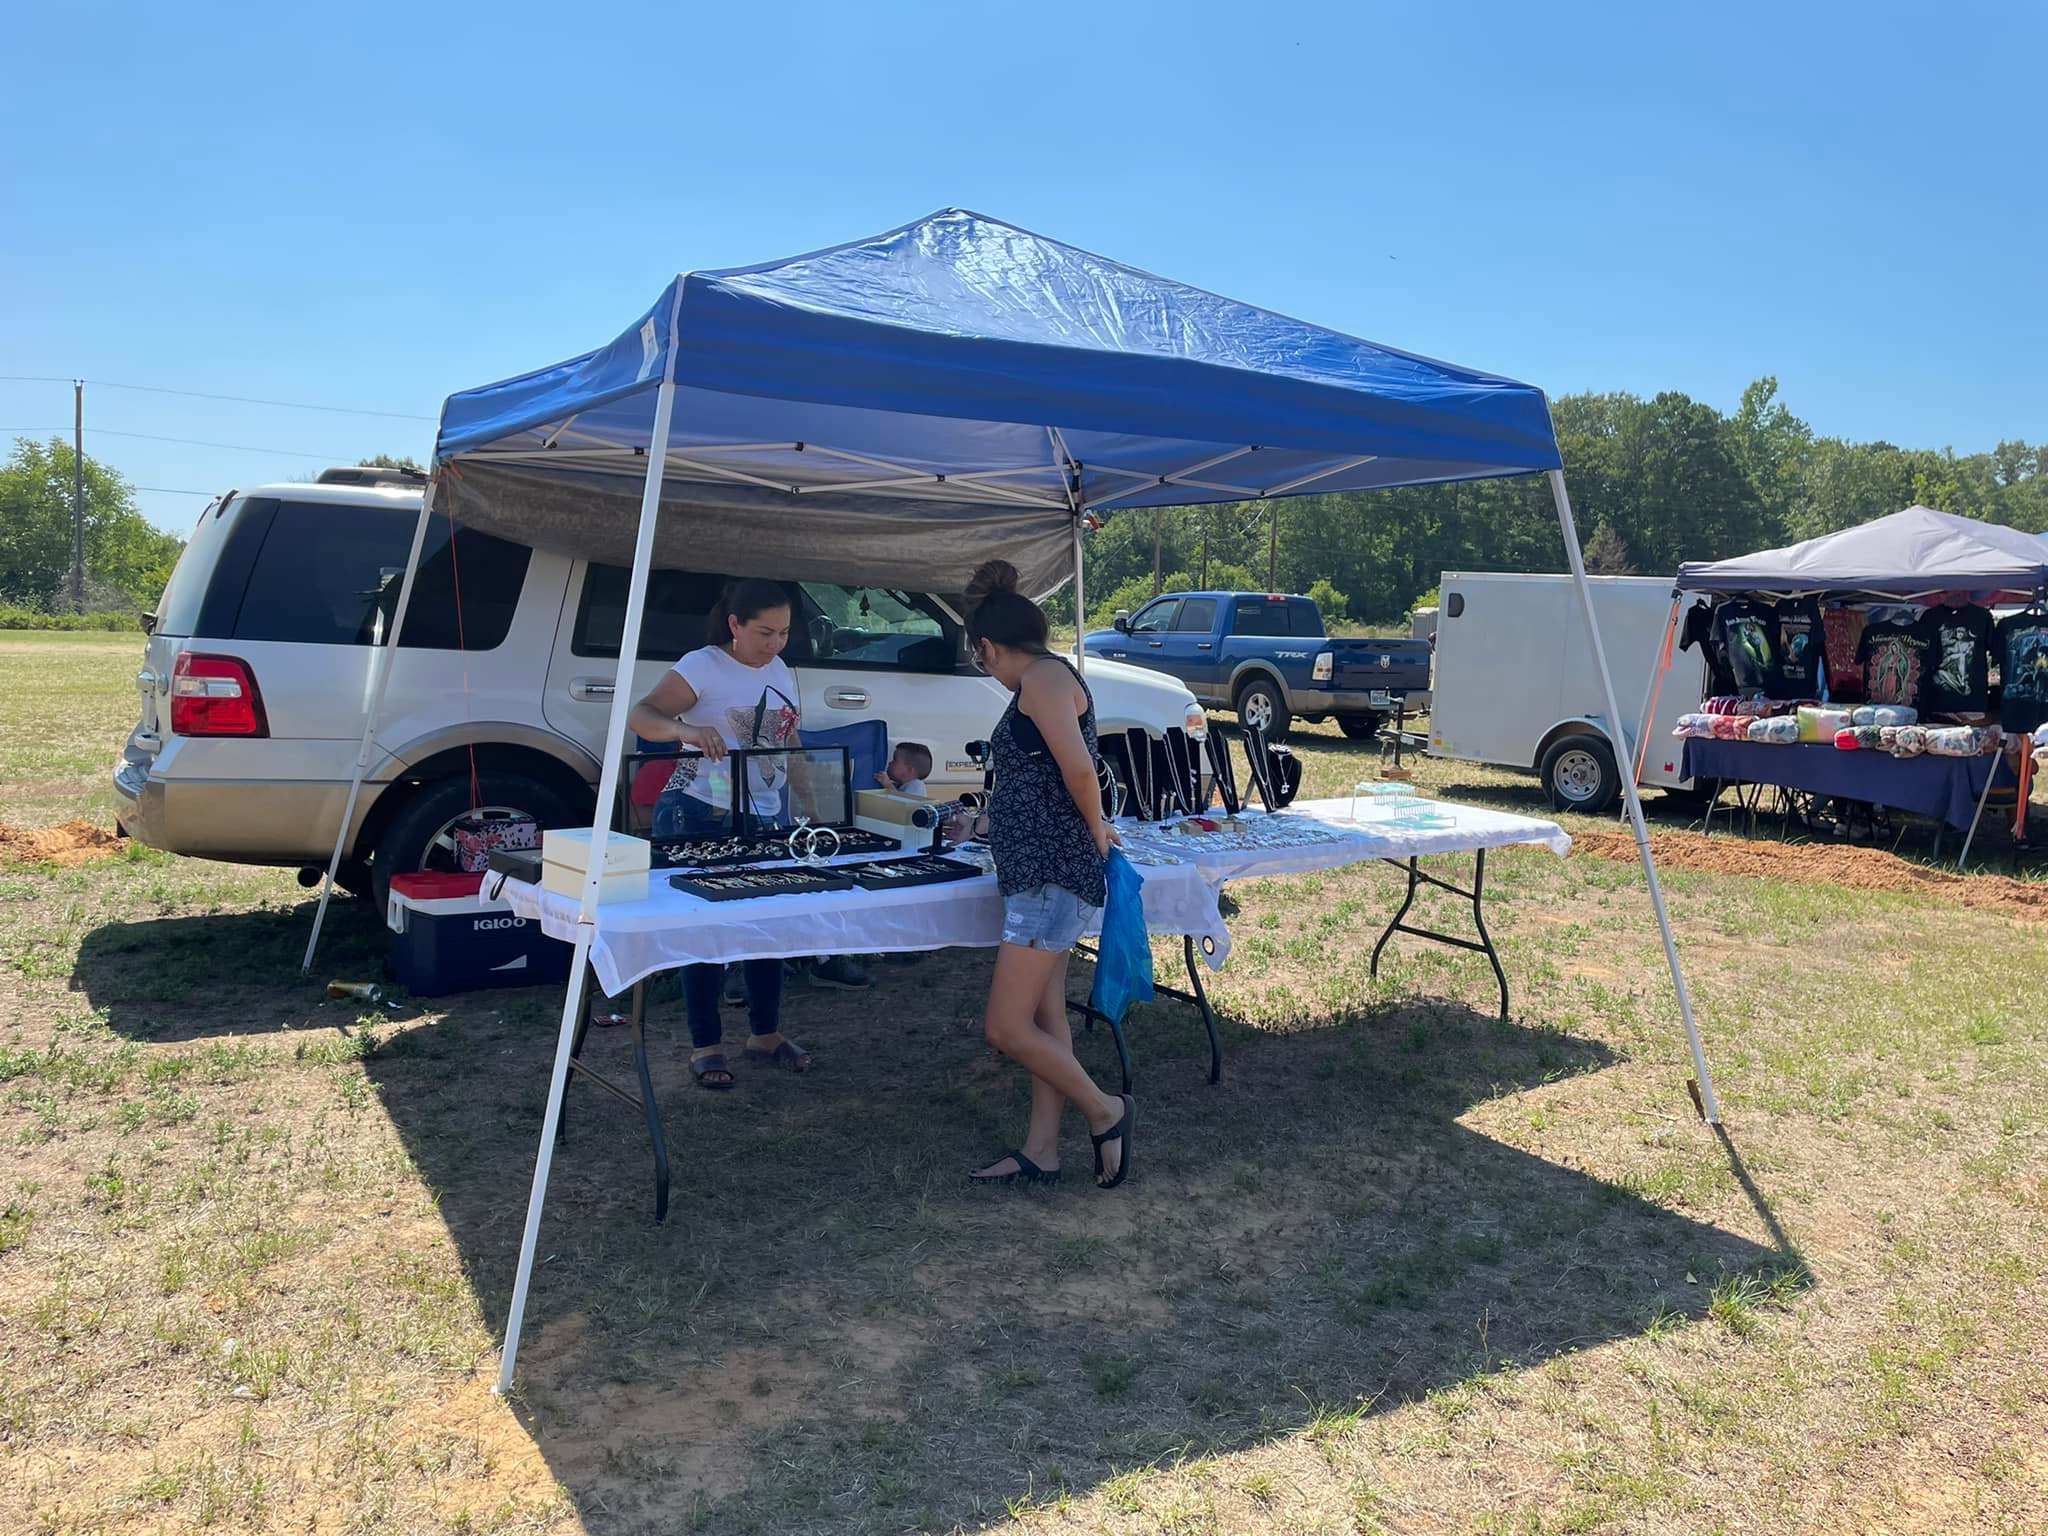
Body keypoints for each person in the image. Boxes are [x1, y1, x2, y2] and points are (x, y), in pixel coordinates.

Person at [956, 560, 1134, 1189]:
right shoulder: (1040, 679)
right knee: (1045, 1021)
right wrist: (984, 822)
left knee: (1006, 1028)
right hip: (1038, 871)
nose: (988, 671)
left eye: (981, 659)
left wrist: (1096, 827)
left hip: (1051, 874)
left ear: (988, 646)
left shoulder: (1043, 679)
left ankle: (1105, 1110)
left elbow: (1080, 768)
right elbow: (1041, 779)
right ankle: (1042, 1150)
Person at [628, 580, 818, 1089]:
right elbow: (642, 715)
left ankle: (765, 1033)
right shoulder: (703, 664)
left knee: (768, 922)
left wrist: (808, 798)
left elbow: (788, 735)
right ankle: (706, 1045)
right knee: (704, 929)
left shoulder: (779, 668)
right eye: (764, 633)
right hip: (698, 810)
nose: (775, 643)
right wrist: (686, 731)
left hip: (764, 813)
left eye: (784, 633)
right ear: (734, 624)